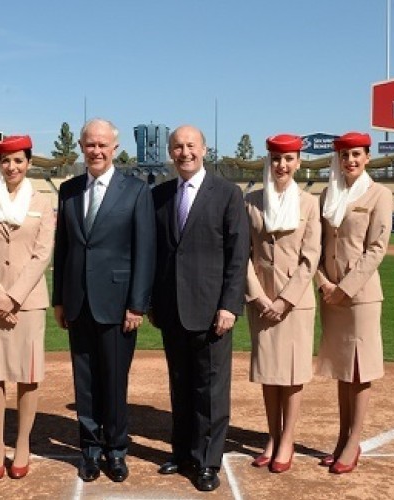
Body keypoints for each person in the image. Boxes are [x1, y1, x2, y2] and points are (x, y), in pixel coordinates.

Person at [52, 118, 155, 483]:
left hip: (118, 302)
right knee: (85, 382)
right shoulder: (69, 190)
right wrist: (59, 299)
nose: (96, 151)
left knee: (113, 381)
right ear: (82, 147)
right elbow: (63, 248)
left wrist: (137, 304)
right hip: (78, 300)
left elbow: (145, 251)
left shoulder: (136, 191)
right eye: (90, 145)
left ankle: (116, 449)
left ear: (115, 148)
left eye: (102, 145)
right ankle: (90, 450)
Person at [151, 125, 249, 492]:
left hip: (212, 311)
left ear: (204, 150)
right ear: (171, 152)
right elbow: (155, 254)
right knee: (180, 385)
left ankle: (207, 461)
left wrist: (229, 305)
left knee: (210, 389)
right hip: (172, 308)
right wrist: (152, 302)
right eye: (177, 147)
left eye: (191, 145)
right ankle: (182, 453)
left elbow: (238, 255)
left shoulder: (227, 194)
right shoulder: (160, 195)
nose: (184, 152)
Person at [0, 135, 54, 481]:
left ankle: (22, 443)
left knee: (28, 376)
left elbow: (42, 254)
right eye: (5, 160)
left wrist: (13, 297)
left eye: (18, 160)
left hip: (28, 303)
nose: (12, 167)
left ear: (28, 163)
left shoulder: (41, 202)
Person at [315, 131, 393, 474]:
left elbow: (376, 249)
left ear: (367, 157)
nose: (350, 160)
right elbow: (316, 245)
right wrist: (323, 283)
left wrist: (345, 288)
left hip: (360, 297)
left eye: (356, 154)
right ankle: (341, 437)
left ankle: (353, 441)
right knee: (342, 369)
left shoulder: (379, 194)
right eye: (345, 155)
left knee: (359, 370)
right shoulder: (327, 194)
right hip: (329, 294)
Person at [243, 134, 321, 473]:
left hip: (295, 304)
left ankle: (287, 440)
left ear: (298, 162)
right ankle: (272, 437)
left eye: (288, 159)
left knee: (291, 374)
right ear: (269, 161)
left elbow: (311, 258)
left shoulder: (310, 204)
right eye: (276, 158)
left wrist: (285, 300)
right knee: (269, 373)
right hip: (261, 301)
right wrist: (259, 297)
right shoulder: (251, 201)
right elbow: (242, 255)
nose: (282, 165)